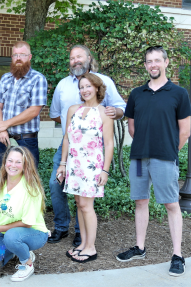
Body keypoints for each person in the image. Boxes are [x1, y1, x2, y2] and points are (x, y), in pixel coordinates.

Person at [116, 46, 191, 276]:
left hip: (164, 158)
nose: (153, 65)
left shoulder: (179, 93)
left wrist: (168, 149)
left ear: (166, 62)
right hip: (139, 158)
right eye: (149, 61)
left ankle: (177, 255)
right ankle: (140, 248)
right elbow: (131, 124)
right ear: (146, 65)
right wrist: (143, 144)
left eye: (157, 60)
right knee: (140, 201)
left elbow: (185, 131)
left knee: (171, 204)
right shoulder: (137, 93)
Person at [48, 45, 126, 246]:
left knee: (84, 200)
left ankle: (81, 236)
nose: (75, 60)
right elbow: (56, 113)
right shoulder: (63, 85)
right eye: (72, 58)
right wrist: (76, 130)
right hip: (69, 146)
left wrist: (110, 114)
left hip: (91, 153)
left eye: (79, 56)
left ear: (89, 58)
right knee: (56, 184)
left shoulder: (103, 81)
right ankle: (62, 226)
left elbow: (120, 109)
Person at [56, 73, 114, 263]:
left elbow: (109, 143)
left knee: (87, 206)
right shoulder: (73, 109)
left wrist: (105, 170)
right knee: (80, 205)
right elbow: (66, 138)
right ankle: (82, 244)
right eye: (81, 87)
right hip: (74, 165)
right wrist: (63, 164)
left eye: (88, 86)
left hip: (92, 166)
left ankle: (91, 247)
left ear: (97, 88)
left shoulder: (104, 113)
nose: (85, 90)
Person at [0, 146, 49, 282]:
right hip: (7, 234)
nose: (13, 165)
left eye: (18, 162)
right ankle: (17, 249)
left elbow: (28, 223)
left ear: (25, 165)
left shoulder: (31, 189)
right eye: (10, 161)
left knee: (11, 236)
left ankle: (27, 263)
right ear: (5, 162)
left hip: (34, 233)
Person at [0, 41, 47, 173]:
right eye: (15, 55)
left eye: (22, 55)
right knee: (0, 177)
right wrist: (1, 130)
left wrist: (5, 124)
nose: (18, 58)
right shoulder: (5, 78)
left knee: (28, 179)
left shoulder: (38, 79)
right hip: (3, 139)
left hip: (26, 140)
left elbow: (34, 110)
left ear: (30, 57)